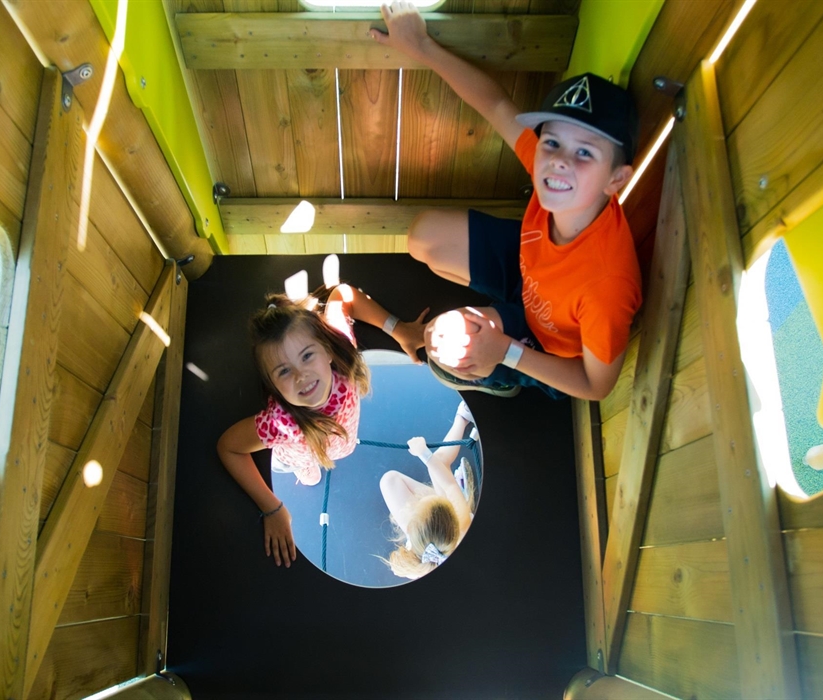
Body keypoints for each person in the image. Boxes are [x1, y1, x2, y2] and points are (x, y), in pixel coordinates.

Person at [371, 2, 643, 401]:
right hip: (527, 270)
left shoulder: (605, 284)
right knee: (422, 236)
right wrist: (420, 46)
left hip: (545, 342)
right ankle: (497, 317)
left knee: (448, 346)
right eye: (552, 142)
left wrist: (506, 351)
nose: (560, 160)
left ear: (616, 180)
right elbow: (496, 105)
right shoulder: (556, 173)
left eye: (585, 153)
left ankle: (498, 372)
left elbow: (595, 385)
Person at [217, 283, 426, 567]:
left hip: (343, 439)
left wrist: (398, 329)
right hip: (300, 454)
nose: (301, 375)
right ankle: (305, 471)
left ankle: (321, 462)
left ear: (327, 350)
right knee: (310, 477)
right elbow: (229, 447)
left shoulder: (343, 358)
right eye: (284, 371)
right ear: (273, 387)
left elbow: (344, 294)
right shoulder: (281, 423)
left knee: (341, 453)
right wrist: (272, 508)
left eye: (306, 356)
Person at [380, 401, 476, 580]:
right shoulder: (461, 521)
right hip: (444, 532)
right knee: (439, 461)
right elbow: (449, 485)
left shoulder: (420, 564)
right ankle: (462, 418)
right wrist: (424, 453)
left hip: (422, 541)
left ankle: (462, 418)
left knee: (389, 480)